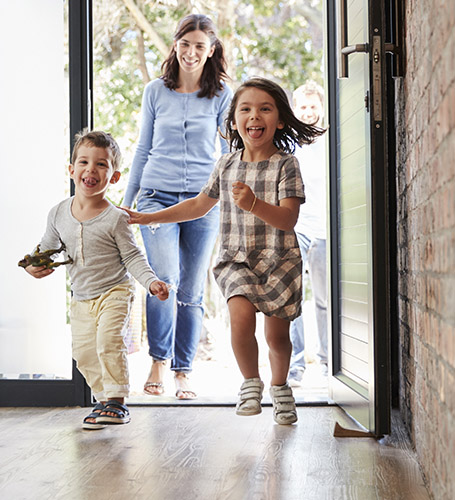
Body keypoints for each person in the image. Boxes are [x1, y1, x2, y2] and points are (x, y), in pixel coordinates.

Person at [122, 77, 324, 424]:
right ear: (233, 121)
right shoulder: (226, 165)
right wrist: (147, 216)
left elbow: (288, 219)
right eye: (245, 109)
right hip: (237, 260)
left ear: (279, 119)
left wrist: (254, 203)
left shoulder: (286, 164)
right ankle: (250, 383)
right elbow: (199, 205)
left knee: (277, 336)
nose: (254, 115)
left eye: (264, 108)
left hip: (280, 261)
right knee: (240, 320)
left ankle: (280, 387)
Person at [21, 130, 169, 430]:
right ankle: (103, 399)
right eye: (84, 162)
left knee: (107, 342)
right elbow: (46, 249)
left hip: (114, 290)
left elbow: (132, 257)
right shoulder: (58, 213)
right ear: (72, 169)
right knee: (84, 352)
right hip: (81, 296)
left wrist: (151, 282)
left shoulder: (116, 218)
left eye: (102, 164)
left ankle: (116, 401)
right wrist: (32, 265)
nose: (91, 169)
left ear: (113, 177)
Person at [122, 13, 233, 400]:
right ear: (175, 45)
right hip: (155, 197)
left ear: (211, 50)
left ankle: (183, 369)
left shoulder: (222, 95)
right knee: (163, 280)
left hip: (204, 202)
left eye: (199, 46)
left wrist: (232, 199)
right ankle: (158, 361)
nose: (190, 52)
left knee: (191, 287)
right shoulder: (156, 91)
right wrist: (126, 203)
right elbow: (142, 147)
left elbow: (228, 154)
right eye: (185, 44)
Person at [288, 81, 328, 386]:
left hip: (325, 229)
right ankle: (296, 365)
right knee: (293, 298)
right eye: (303, 106)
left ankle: (329, 362)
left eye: (314, 106)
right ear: (294, 109)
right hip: (296, 227)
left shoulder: (332, 141)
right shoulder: (289, 146)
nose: (309, 112)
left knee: (325, 299)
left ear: (322, 108)